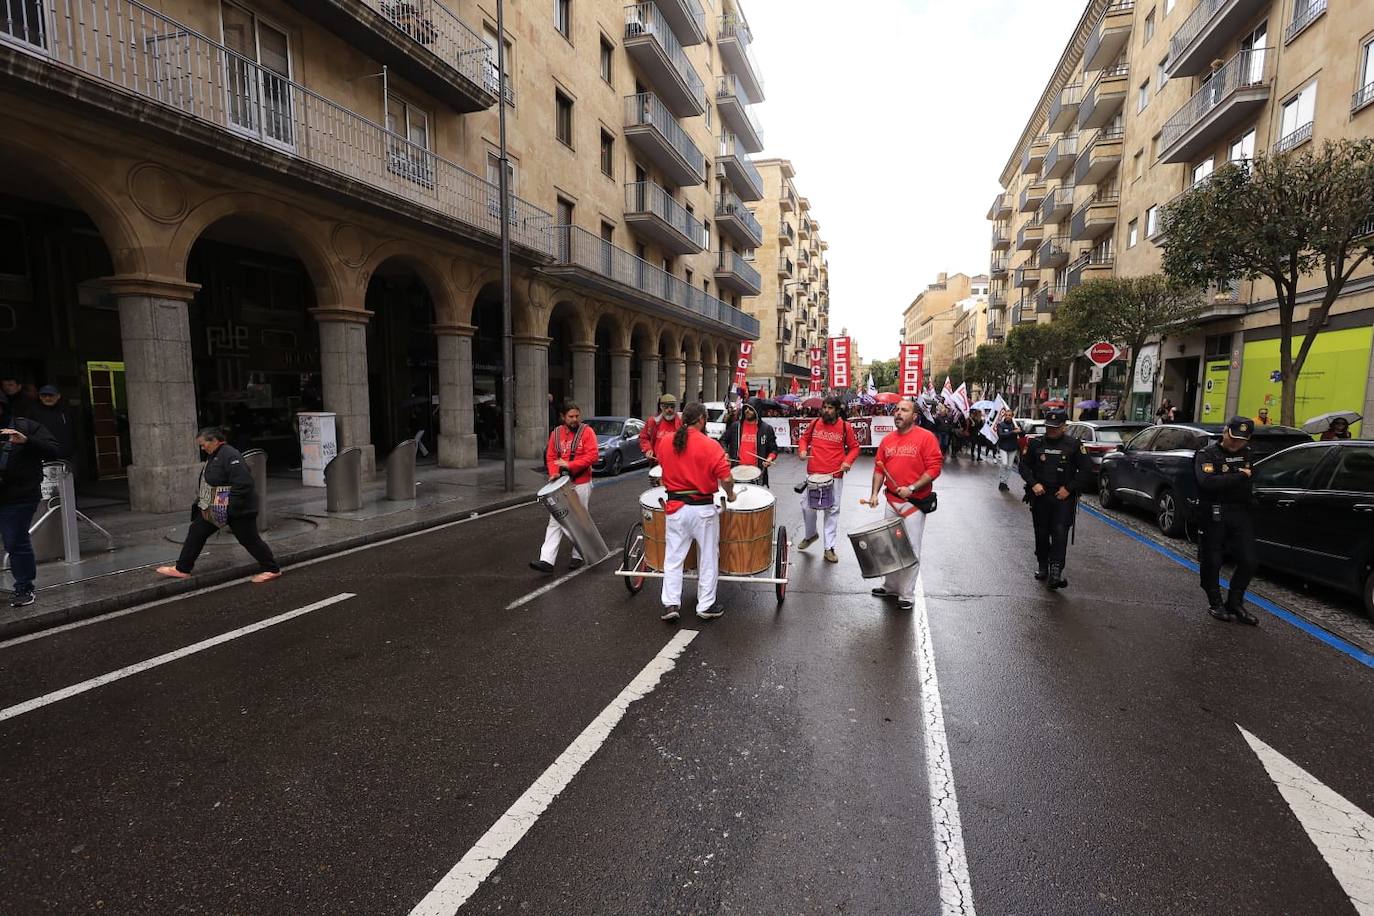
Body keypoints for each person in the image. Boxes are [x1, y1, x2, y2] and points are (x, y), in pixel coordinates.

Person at [157, 427, 281, 584]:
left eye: (203, 445)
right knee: (197, 531)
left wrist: (229, 507)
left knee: (249, 540)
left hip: (237, 509)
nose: (202, 448)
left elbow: (243, 483)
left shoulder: (230, 455)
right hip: (218, 506)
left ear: (214, 441)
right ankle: (182, 569)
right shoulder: (215, 455)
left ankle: (272, 569)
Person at [658, 402, 736, 622]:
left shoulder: (664, 442)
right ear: (702, 419)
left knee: (673, 558)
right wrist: (730, 495)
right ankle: (706, 605)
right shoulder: (711, 446)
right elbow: (727, 479)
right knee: (708, 557)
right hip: (702, 510)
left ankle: (670, 604)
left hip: (675, 508)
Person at [863, 396, 942, 612]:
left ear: (915, 416)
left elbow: (934, 468)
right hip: (892, 501)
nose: (898, 413)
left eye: (904, 410)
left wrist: (913, 488)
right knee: (890, 546)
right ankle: (890, 586)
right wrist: (874, 494)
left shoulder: (926, 438)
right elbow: (879, 468)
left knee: (910, 549)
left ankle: (906, 593)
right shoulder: (887, 440)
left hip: (914, 503)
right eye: (897, 409)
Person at [1195, 417, 1260, 625]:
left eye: (1241, 440)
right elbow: (1207, 483)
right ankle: (1215, 602)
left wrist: (1235, 480)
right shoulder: (1207, 454)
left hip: (1240, 512)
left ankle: (1235, 602)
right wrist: (1239, 477)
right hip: (1214, 512)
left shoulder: (1248, 454)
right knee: (1212, 560)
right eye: (1233, 438)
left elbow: (1251, 481)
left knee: (1249, 560)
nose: (1236, 444)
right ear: (1225, 432)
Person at [1019, 408, 1089, 590]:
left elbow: (1086, 470)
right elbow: (1024, 467)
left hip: (1063, 497)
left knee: (1059, 532)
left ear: (1064, 427)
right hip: (1040, 496)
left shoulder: (1074, 445)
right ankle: (1043, 565)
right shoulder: (1036, 443)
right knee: (1041, 533)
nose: (1051, 430)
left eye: (1055, 427)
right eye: (1048, 427)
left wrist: (1069, 488)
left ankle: (1056, 570)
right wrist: (1033, 483)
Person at [0, 402, 60, 608]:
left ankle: (24, 587)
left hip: (19, 496)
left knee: (15, 540)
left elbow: (54, 450)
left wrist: (27, 441)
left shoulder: (26, 427)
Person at [530, 400, 599, 573]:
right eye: (571, 416)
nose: (575, 419)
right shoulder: (556, 434)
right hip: (560, 483)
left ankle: (578, 554)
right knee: (556, 519)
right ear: (563, 417)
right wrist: (553, 472)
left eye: (577, 416)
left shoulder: (587, 432)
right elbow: (551, 455)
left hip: (581, 482)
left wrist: (570, 465)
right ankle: (546, 560)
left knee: (580, 520)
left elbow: (593, 456)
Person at [797, 394, 860, 563]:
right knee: (806, 506)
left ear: (837, 410)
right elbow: (804, 439)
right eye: (824, 407)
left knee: (831, 511)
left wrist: (847, 462)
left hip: (834, 475)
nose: (826, 410)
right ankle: (811, 535)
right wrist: (802, 451)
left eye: (830, 408)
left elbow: (854, 448)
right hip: (813, 474)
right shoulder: (815, 423)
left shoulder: (845, 427)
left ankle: (829, 548)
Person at [721, 398, 778, 486]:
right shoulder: (736, 426)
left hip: (757, 474)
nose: (747, 411)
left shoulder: (766, 429)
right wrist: (725, 452)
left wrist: (770, 458)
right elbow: (723, 440)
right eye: (746, 408)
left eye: (751, 409)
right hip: (737, 472)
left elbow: (773, 449)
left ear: (757, 410)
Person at [31, 385, 76, 461]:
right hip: (43, 456)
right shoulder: (33, 413)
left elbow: (74, 432)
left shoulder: (66, 411)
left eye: (51, 395)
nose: (48, 398)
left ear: (58, 396)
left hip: (66, 455)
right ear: (40, 397)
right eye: (44, 395)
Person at [638, 394, 682, 465]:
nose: (669, 410)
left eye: (672, 407)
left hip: (676, 463)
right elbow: (643, 437)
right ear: (661, 407)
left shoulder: (681, 422)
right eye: (666, 407)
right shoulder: (653, 422)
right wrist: (648, 449)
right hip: (657, 462)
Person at [994, 408, 1020, 492]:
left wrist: (1019, 430)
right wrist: (1013, 432)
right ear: (1004, 416)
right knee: (1004, 464)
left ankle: (1005, 483)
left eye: (1010, 415)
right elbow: (1001, 435)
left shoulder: (1015, 425)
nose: (1008, 417)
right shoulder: (1000, 425)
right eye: (1006, 415)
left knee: (1009, 466)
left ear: (1012, 416)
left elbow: (1022, 433)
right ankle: (1001, 481)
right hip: (1003, 447)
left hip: (1013, 448)